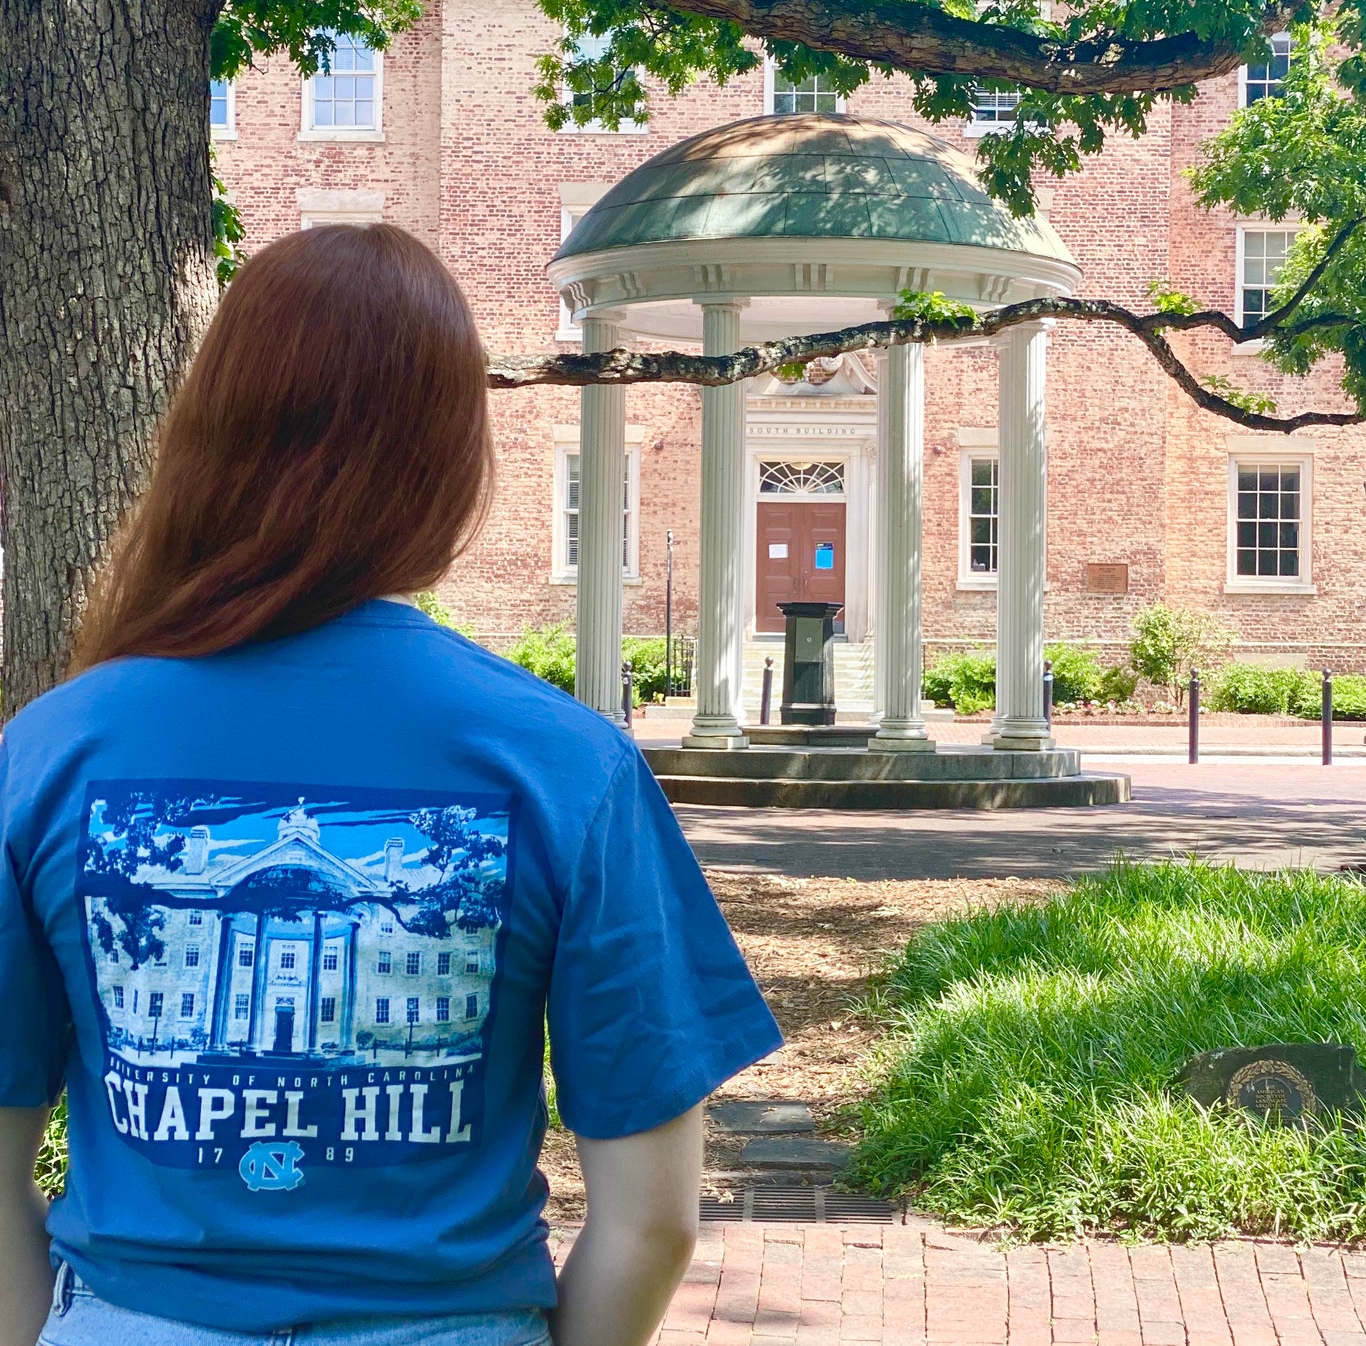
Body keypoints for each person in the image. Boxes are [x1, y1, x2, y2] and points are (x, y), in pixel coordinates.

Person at [0, 225, 781, 1346]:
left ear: (207, 437)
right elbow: (652, 1220)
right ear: (448, 461)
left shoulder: (51, 748)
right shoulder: (561, 759)